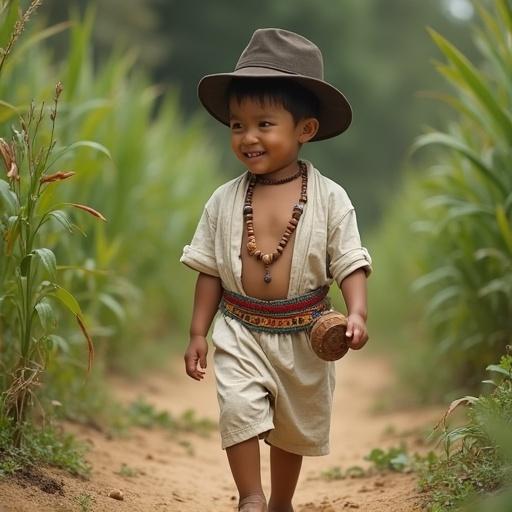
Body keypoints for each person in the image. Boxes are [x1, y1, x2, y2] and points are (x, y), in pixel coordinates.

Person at [180, 28, 372, 512]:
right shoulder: (224, 200)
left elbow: (350, 259)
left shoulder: (330, 199)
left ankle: (282, 502)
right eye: (236, 125)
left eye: (264, 124)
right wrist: (199, 331)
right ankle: (251, 498)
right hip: (240, 328)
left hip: (305, 334)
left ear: (304, 130)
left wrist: (358, 312)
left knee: (293, 425)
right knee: (239, 410)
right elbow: (208, 268)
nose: (248, 137)